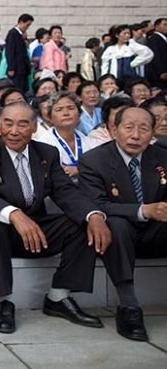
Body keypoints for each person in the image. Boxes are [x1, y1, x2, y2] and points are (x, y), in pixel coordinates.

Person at [0, 102, 111, 334]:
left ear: (34, 127)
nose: (14, 131)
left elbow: (66, 192)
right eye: (8, 123)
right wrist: (14, 214)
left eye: (22, 124)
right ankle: (4, 301)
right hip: (3, 229)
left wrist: (93, 215)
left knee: (81, 224)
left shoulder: (46, 153)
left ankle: (58, 296)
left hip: (36, 227)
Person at [78, 107, 167, 341]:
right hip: (118, 234)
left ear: (153, 132)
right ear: (113, 130)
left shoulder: (162, 157)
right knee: (114, 224)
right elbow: (96, 203)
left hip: (157, 232)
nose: (136, 135)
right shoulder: (94, 160)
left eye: (144, 129)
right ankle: (128, 307)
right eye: (128, 128)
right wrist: (143, 211)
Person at [36, 91, 96, 181]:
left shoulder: (91, 142)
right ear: (50, 117)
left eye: (71, 108)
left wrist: (79, 170)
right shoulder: (42, 144)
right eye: (59, 109)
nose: (66, 113)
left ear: (79, 114)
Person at [5, 14, 34, 93]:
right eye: (27, 25)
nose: (27, 27)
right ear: (21, 22)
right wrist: (11, 68)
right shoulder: (13, 33)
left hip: (22, 68)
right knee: (17, 90)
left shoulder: (21, 35)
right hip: (16, 69)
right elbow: (10, 51)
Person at [146, 17, 167, 90]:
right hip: (158, 75)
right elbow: (155, 56)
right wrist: (161, 72)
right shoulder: (154, 38)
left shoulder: (164, 38)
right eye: (165, 25)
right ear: (157, 27)